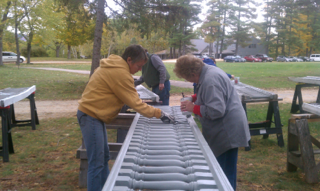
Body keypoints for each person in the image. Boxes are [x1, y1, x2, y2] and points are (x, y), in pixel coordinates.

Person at [77, 45, 175, 191]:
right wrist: (159, 114)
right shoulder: (121, 73)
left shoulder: (114, 66)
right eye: (138, 65)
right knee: (96, 163)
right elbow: (136, 104)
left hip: (95, 115)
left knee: (103, 158)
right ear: (129, 60)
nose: (139, 69)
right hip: (91, 115)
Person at [174, 55, 250, 190]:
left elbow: (216, 110)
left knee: (224, 174)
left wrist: (194, 108)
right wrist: (194, 97)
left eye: (187, 78)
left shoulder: (210, 80)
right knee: (220, 169)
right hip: (226, 127)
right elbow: (211, 93)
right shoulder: (207, 70)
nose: (189, 81)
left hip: (227, 131)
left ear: (193, 73)